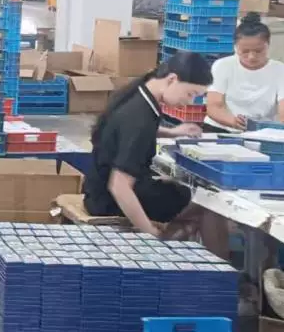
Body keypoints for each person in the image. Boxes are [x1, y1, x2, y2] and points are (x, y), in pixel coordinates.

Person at [84, 51, 213, 236]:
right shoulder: (140, 118)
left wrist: (171, 132)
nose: (189, 102)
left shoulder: (139, 95)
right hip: (107, 201)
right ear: (172, 79)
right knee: (202, 200)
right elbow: (119, 186)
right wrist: (149, 232)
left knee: (177, 188)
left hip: (96, 188)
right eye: (190, 94)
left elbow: (127, 131)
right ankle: (183, 240)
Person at [206, 13, 284, 130]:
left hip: (263, 130)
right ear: (235, 47)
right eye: (245, 51)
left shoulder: (283, 71)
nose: (251, 57)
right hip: (223, 127)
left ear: (268, 45)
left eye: (258, 51)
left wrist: (272, 130)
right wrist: (232, 121)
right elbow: (214, 106)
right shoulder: (222, 66)